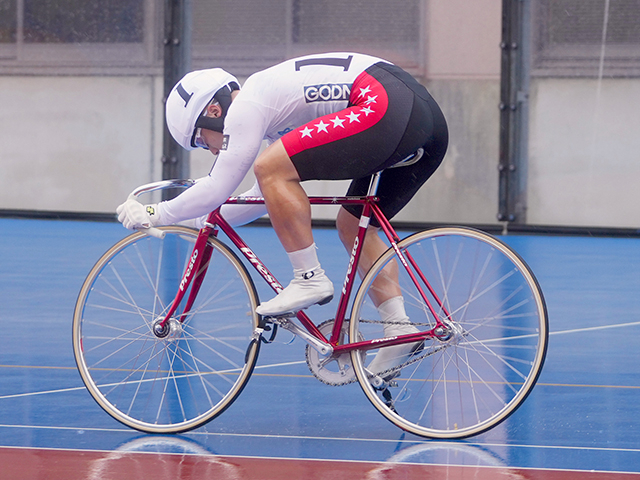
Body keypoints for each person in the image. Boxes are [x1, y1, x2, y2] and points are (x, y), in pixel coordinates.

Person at [117, 52, 448, 376]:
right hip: (419, 112)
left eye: (203, 141)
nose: (214, 150)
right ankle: (398, 329)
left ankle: (309, 279)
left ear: (214, 112)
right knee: (352, 225)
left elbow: (219, 186)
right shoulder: (274, 117)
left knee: (269, 167)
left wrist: (154, 212)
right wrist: (189, 218)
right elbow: (262, 198)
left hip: (384, 103)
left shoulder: (247, 106)